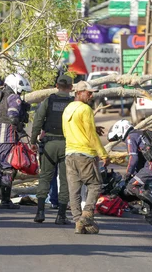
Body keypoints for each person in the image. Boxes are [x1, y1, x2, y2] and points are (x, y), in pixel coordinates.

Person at [62, 80, 110, 234]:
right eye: (88, 93)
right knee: (95, 185)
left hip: (70, 153)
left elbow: (67, 131)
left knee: (74, 190)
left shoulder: (68, 109)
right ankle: (87, 215)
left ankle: (78, 222)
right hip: (85, 154)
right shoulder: (85, 109)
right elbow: (90, 134)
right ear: (78, 92)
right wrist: (103, 153)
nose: (91, 95)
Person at [31, 74, 74, 225]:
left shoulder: (48, 100)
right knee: (65, 180)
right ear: (71, 87)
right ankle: (61, 215)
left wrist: (32, 140)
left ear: (56, 86)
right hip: (67, 145)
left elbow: (37, 121)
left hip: (49, 144)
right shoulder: (73, 102)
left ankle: (40, 212)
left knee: (45, 178)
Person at [107, 119, 152, 218]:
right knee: (142, 182)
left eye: (118, 137)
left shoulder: (130, 137)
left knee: (131, 186)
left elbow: (133, 158)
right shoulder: (139, 133)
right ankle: (146, 208)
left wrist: (127, 174)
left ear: (121, 131)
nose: (119, 139)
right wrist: (133, 173)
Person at [0, 73, 31, 209]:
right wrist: (20, 130)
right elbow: (13, 117)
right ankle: (5, 200)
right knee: (8, 168)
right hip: (5, 136)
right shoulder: (13, 97)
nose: (21, 92)